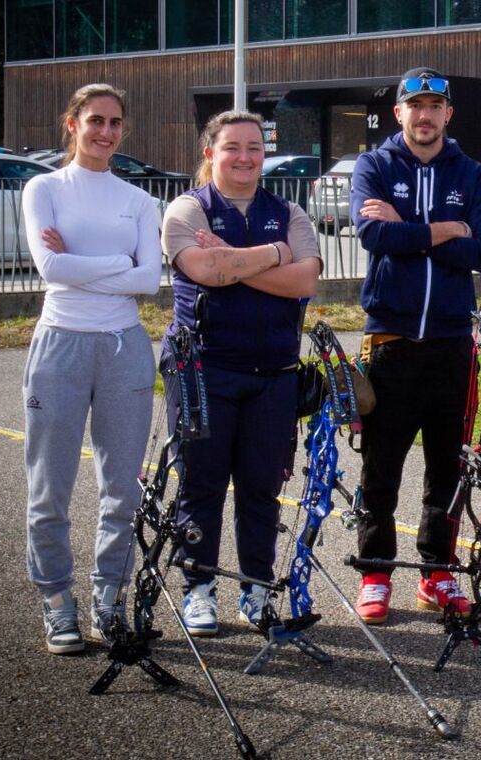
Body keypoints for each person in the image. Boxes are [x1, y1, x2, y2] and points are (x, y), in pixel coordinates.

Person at [349, 67, 481, 625]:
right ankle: (375, 573)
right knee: (380, 467)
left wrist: (410, 228)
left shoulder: (474, 174)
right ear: (400, 114)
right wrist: (446, 229)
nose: (424, 115)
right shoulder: (375, 166)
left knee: (448, 469)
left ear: (448, 114)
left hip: (451, 345)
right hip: (389, 342)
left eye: (434, 105)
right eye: (415, 105)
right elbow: (373, 235)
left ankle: (438, 573)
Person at [161, 109, 321, 635]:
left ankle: (257, 588)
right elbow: (206, 270)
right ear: (210, 153)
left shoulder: (288, 211)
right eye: (233, 147)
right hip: (205, 369)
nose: (246, 157)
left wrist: (238, 262)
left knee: (260, 487)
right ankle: (199, 589)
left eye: (255, 147)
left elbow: (304, 282)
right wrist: (275, 256)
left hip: (273, 373)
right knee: (201, 485)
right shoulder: (188, 210)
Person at [22, 83, 162, 654]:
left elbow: (149, 281)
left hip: (125, 346)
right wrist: (117, 261)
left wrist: (85, 265)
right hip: (60, 343)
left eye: (115, 123)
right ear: (72, 123)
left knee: (122, 491)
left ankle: (110, 598)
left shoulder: (139, 200)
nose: (106, 132)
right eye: (95, 121)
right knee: (49, 488)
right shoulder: (43, 188)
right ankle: (57, 602)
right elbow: (49, 266)